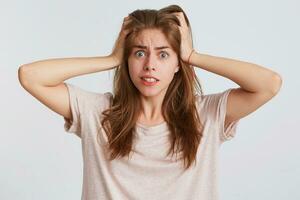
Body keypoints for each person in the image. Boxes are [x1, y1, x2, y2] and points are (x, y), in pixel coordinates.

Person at [18, 4, 282, 200]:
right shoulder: (97, 113)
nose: (149, 66)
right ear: (128, 58)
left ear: (178, 63)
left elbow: (269, 84)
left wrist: (192, 54)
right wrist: (111, 59)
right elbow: (30, 76)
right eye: (140, 53)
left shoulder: (206, 115)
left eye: (163, 55)